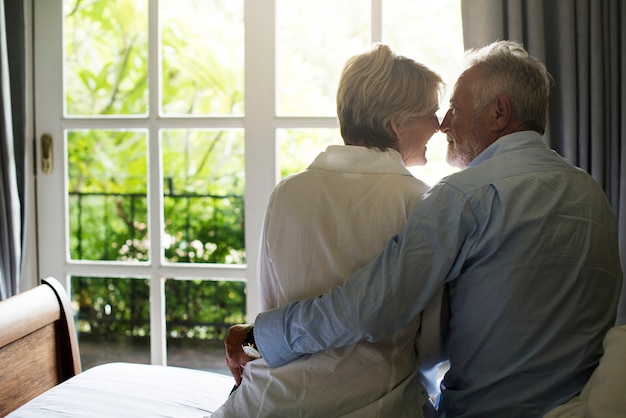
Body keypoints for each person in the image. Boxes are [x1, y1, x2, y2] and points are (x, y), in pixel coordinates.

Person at [224, 40, 623, 418]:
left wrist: (257, 338)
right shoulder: (591, 193)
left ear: (499, 113)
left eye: (455, 107)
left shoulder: (464, 196)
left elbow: (370, 308)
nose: (445, 123)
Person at [213, 43, 447, 417]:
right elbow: (432, 342)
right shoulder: (420, 202)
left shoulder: (287, 193)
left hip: (267, 404)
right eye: (431, 113)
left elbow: (271, 314)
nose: (440, 124)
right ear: (395, 125)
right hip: (374, 405)